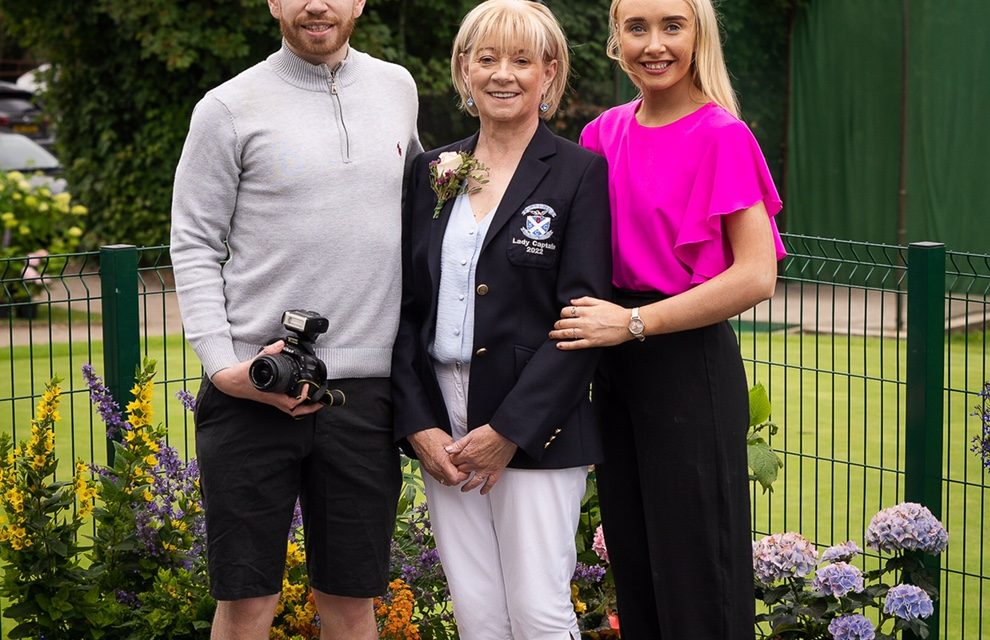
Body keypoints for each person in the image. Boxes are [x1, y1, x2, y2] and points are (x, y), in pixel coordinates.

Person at [169, 0, 421, 638]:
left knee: (350, 604)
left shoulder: (398, 88)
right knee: (247, 604)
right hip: (254, 387)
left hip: (363, 395)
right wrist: (223, 366)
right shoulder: (226, 108)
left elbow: (424, 212)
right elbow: (194, 243)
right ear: (274, 3)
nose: (317, 4)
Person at [549, 0, 787, 638]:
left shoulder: (722, 135)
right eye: (637, 27)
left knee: (698, 576)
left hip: (688, 366)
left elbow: (756, 275)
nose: (654, 44)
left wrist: (634, 325)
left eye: (672, 26)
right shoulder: (601, 134)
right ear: (615, 40)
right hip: (614, 368)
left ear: (697, 35)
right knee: (637, 564)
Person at [391, 1, 611, 638]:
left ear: (550, 72)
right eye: (486, 58)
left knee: (538, 612)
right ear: (464, 69)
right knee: (477, 613)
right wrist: (420, 425)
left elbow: (582, 321)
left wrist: (509, 430)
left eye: (521, 60)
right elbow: (405, 311)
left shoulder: (579, 173)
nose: (503, 74)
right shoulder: (432, 172)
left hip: (535, 421)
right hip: (445, 422)